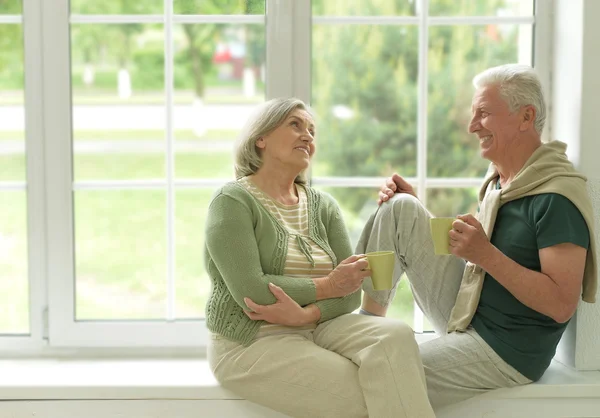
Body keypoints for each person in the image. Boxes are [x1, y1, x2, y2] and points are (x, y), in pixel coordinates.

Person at [356, 63, 598, 410]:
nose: (472, 127)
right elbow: (483, 256)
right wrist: (416, 214)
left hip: (505, 348)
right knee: (401, 207)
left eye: (483, 114)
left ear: (525, 117)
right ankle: (366, 326)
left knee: (385, 373)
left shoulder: (555, 197)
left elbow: (561, 304)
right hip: (471, 307)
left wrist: (485, 254)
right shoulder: (500, 181)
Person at [204, 98, 435, 418]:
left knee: (396, 335)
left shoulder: (323, 206)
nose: (308, 136)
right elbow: (252, 292)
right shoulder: (232, 201)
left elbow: (352, 290)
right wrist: (327, 285)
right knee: (374, 392)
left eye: (312, 131)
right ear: (261, 139)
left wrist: (305, 315)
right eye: (295, 125)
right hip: (252, 342)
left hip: (318, 326)